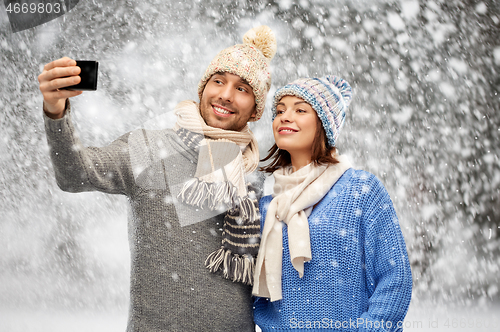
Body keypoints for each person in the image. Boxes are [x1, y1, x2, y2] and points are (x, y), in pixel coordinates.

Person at [38, 26, 277, 332]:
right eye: (219, 81)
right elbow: (75, 174)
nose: (226, 95)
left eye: (243, 89)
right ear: (203, 88)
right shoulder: (149, 148)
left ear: (256, 110)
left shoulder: (251, 172)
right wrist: (56, 112)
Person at [252, 76, 412, 331]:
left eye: (300, 109)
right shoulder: (267, 207)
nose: (284, 116)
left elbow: (395, 278)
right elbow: (249, 293)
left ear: (324, 124)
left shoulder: (361, 189)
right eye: (280, 110)